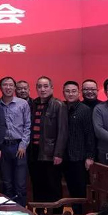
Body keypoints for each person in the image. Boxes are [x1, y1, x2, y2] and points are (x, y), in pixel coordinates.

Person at [29, 76, 68, 204]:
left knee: (53, 185)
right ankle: (40, 212)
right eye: (39, 86)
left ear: (52, 88)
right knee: (37, 184)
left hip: (51, 152)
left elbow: (62, 131)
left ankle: (56, 213)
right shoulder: (33, 104)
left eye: (46, 86)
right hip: (34, 151)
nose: (42, 89)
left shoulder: (58, 105)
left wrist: (58, 153)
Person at [62, 81, 96, 214]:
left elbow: (90, 134)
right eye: (67, 91)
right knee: (70, 188)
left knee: (81, 189)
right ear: (63, 93)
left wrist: (90, 156)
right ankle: (75, 214)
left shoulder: (85, 110)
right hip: (64, 156)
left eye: (73, 91)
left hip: (80, 156)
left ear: (79, 93)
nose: (70, 94)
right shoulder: (62, 107)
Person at [0, 77, 30, 207]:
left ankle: (22, 210)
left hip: (19, 146)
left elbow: (27, 126)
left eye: (11, 85)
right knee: (6, 183)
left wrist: (23, 145)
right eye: (5, 85)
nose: (8, 87)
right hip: (3, 147)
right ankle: (8, 211)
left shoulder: (23, 104)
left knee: (20, 184)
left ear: (14, 87)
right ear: (0, 88)